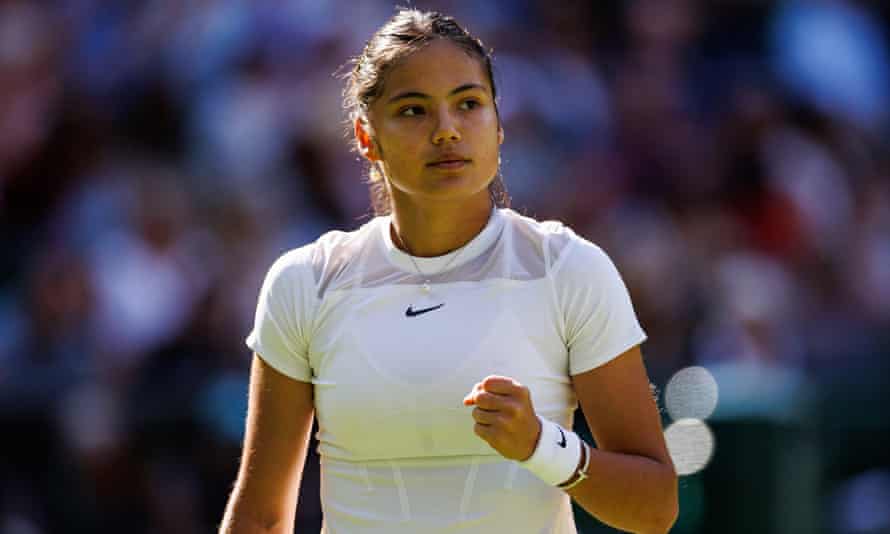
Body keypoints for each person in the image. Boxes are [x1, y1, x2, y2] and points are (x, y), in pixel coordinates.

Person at [220, 9, 678, 534]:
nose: (446, 131)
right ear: (367, 138)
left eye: (469, 104)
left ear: (499, 125)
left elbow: (656, 506)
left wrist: (542, 446)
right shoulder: (306, 283)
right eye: (413, 110)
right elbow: (257, 519)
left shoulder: (569, 270)